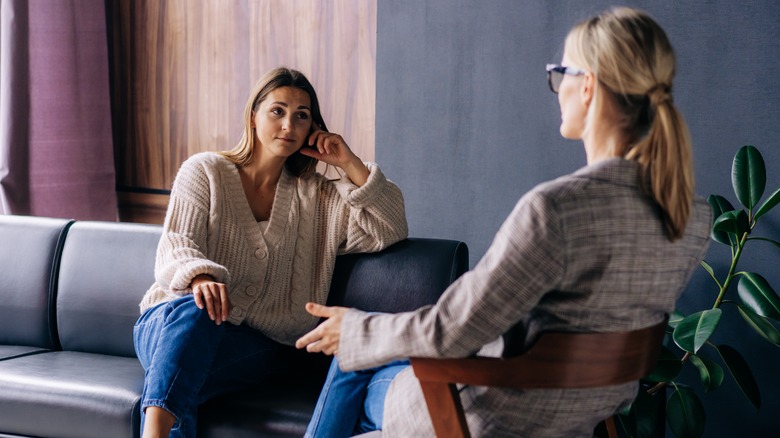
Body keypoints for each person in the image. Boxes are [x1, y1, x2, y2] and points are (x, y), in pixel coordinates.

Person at [295, 7, 713, 437]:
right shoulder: (690, 217)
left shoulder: (557, 210)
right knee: (366, 351)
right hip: (571, 419)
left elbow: (449, 331)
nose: (557, 88)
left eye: (561, 72)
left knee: (353, 361)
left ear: (587, 86)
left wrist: (357, 328)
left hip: (484, 418)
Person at [132, 66, 408, 438]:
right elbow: (177, 242)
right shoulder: (205, 170)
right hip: (169, 322)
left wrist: (349, 163)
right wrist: (200, 276)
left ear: (313, 128)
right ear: (253, 116)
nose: (288, 125)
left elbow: (389, 227)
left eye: (302, 116)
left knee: (185, 378)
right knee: (196, 314)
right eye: (277, 111)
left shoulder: (319, 197)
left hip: (254, 347)